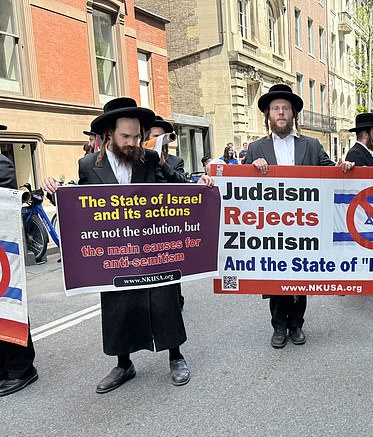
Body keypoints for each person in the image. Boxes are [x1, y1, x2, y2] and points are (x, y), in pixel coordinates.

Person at [42, 98, 214, 393]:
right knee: (119, 307)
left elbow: (178, 190)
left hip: (154, 247)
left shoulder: (148, 159)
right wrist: (55, 193)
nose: (134, 142)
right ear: (109, 134)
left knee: (164, 301)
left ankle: (176, 355)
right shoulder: (88, 165)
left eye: (137, 136)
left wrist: (202, 185)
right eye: (126, 136)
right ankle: (124, 364)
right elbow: (81, 207)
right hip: (116, 252)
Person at [244, 84, 354, 348]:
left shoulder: (312, 146)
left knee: (301, 276)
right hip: (271, 228)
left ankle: (297, 325)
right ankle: (278, 326)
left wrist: (343, 167)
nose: (280, 113)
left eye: (285, 109)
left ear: (293, 114)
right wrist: (250, 167)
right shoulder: (256, 148)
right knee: (275, 278)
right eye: (275, 109)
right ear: (268, 115)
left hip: (306, 226)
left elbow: (330, 172)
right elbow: (241, 186)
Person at [0, 122, 38, 397]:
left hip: (2, 253)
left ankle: (21, 369)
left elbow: (5, 206)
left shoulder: (2, 165)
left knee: (8, 307)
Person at [147, 115, 187, 310]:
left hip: (169, 220)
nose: (159, 141)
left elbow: (182, 183)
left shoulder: (175, 161)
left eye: (162, 137)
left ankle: (175, 299)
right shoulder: (142, 159)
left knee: (170, 261)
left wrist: (163, 165)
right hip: (147, 222)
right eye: (155, 137)